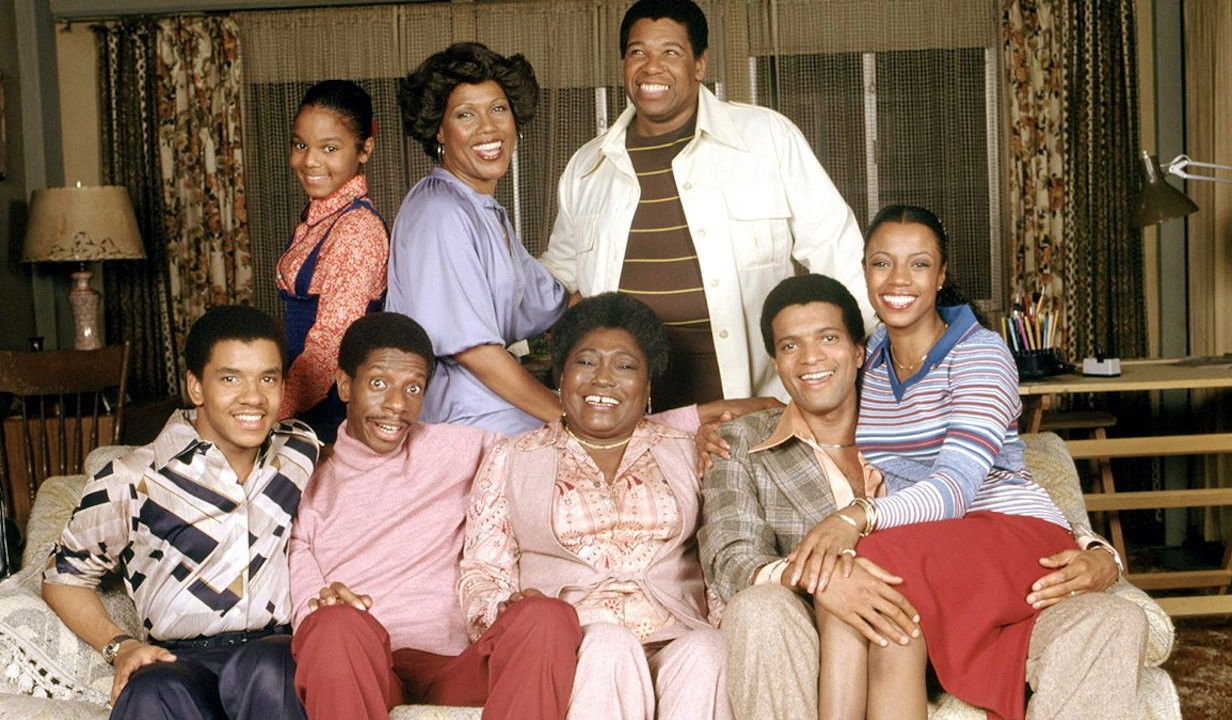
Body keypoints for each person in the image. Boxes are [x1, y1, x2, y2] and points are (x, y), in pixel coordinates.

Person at [699, 272, 1145, 720]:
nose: (811, 357)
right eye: (790, 346)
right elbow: (731, 560)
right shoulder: (739, 443)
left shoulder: (916, 414)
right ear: (776, 362)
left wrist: (1099, 552)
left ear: (859, 351)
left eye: (828, 338)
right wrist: (825, 579)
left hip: (960, 615)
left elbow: (1002, 491)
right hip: (826, 641)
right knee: (758, 609)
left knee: (1115, 620)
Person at [540, 0, 876, 411]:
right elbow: (556, 279)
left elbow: (840, 255)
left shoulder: (766, 138)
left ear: (700, 64)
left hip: (754, 408)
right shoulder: (588, 167)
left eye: (670, 52)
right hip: (631, 419)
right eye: (637, 52)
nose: (651, 67)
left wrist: (865, 372)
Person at [288, 312, 580, 720]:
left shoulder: (456, 449)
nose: (397, 405)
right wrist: (326, 608)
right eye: (378, 384)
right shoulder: (306, 480)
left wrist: (672, 427)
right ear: (344, 385)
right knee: (330, 624)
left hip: (457, 664)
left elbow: (557, 447)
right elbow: (306, 605)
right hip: (365, 664)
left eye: (413, 388)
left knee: (548, 617)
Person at [459, 293, 732, 720]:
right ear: (561, 376)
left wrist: (726, 623)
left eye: (625, 366)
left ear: (648, 387)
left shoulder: (686, 451)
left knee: (708, 649)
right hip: (573, 644)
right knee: (609, 645)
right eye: (586, 362)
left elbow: (718, 561)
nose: (602, 379)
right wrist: (505, 609)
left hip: (675, 631)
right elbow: (481, 570)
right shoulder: (513, 457)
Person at [42, 305, 320, 720]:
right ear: (196, 387)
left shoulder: (300, 450)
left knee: (271, 669)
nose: (254, 398)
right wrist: (121, 646)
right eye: (230, 378)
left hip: (273, 654)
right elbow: (63, 578)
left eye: (268, 378)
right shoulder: (132, 477)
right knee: (153, 690)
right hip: (179, 660)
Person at [386, 43, 567, 436]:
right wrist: (569, 417)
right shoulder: (440, 212)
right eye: (466, 114)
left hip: (491, 408)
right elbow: (476, 352)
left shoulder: (483, 209)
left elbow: (552, 303)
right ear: (439, 129)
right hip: (461, 423)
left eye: (498, 109)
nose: (488, 128)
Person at [277, 79, 389, 443]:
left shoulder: (357, 228)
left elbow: (329, 349)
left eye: (329, 148)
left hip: (324, 415)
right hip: (297, 399)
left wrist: (269, 413)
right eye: (300, 145)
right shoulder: (321, 217)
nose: (310, 161)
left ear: (365, 149)